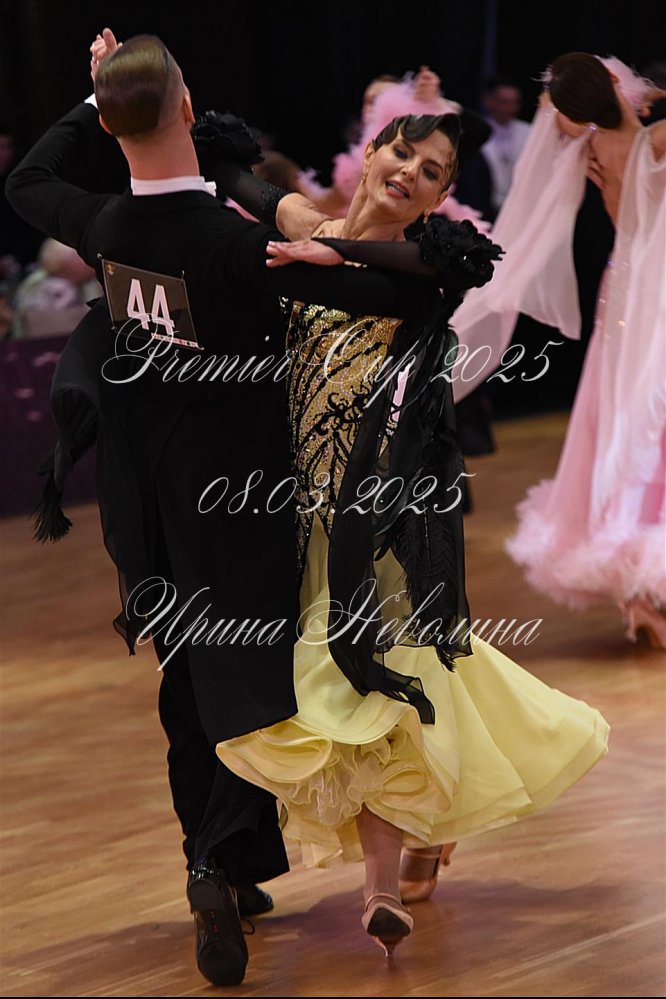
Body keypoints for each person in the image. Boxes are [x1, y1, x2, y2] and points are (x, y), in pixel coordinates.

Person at [5, 29, 446, 987]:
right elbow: (399, 294)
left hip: (141, 502)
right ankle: (216, 861)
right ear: (189, 110)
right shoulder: (237, 247)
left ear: (111, 125)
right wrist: (338, 252)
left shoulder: (103, 224)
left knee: (187, 679)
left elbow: (27, 179)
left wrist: (92, 96)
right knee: (247, 687)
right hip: (239, 503)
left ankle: (225, 868)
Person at [205, 109, 610, 957]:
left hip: (377, 508)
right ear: (370, 152)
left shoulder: (418, 267)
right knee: (391, 673)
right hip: (300, 507)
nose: (409, 172)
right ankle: (433, 821)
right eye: (402, 152)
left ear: (438, 196)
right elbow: (243, 184)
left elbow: (450, 261)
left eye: (431, 172)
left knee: (375, 680)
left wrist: (339, 255)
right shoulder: (307, 224)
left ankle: (379, 889)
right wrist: (176, 134)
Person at [500, 53, 666, 648]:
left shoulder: (593, 149)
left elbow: (622, 219)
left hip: (621, 290)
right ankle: (644, 588)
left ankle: (638, 594)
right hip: (656, 292)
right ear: (617, 84)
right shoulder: (654, 140)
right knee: (648, 423)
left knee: (621, 418)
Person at [479, 75, 533, 221]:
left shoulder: (529, 132)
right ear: (489, 101)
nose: (511, 108)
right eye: (505, 102)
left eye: (515, 103)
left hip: (522, 210)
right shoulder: (478, 133)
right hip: (486, 210)